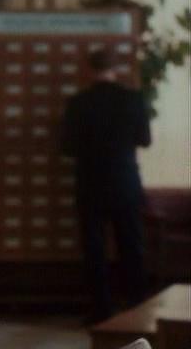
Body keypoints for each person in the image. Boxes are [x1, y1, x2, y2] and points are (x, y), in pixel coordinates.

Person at [61, 48, 151, 324]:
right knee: (131, 244)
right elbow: (145, 140)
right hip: (125, 181)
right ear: (116, 69)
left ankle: (101, 309)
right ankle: (137, 306)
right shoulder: (134, 99)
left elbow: (67, 147)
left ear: (89, 69)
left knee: (94, 248)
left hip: (91, 183)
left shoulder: (78, 103)